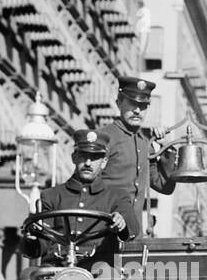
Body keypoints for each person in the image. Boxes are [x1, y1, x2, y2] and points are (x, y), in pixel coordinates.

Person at [23, 129, 139, 268]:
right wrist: (32, 240)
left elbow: (132, 228)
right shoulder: (51, 196)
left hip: (98, 276)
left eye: (95, 157)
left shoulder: (116, 197)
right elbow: (40, 246)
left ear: (104, 162)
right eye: (83, 156)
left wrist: (121, 222)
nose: (88, 163)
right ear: (74, 157)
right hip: (56, 273)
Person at [98, 76, 176, 233]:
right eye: (132, 104)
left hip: (134, 233)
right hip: (103, 229)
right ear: (119, 102)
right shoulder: (104, 137)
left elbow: (163, 185)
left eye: (143, 105)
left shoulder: (145, 142)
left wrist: (168, 147)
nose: (137, 111)